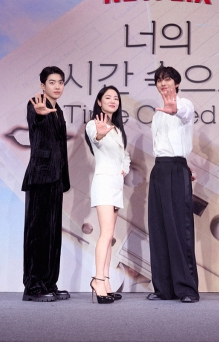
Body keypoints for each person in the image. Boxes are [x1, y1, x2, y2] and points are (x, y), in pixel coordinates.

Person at [146, 66, 199, 303]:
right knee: (159, 230)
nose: (162, 83)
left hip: (176, 169)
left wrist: (175, 108)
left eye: (166, 79)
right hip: (159, 169)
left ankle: (186, 289)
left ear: (176, 83)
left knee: (180, 229)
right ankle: (164, 289)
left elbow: (184, 112)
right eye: (158, 80)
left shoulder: (185, 104)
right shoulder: (157, 114)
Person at [21, 66, 71, 302]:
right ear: (43, 85)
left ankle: (49, 282)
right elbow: (36, 124)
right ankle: (33, 287)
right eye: (52, 82)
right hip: (40, 177)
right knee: (37, 234)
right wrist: (41, 115)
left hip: (55, 179)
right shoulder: (36, 104)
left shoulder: (59, 110)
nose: (57, 86)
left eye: (60, 82)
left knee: (52, 234)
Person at [84, 85, 130, 304]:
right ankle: (97, 280)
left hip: (116, 185)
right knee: (106, 233)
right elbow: (96, 138)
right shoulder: (94, 124)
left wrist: (125, 168)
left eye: (116, 98)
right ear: (100, 102)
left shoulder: (119, 129)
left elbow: (125, 156)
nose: (113, 101)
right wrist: (101, 134)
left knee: (110, 236)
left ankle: (107, 281)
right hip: (103, 183)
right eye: (108, 97)